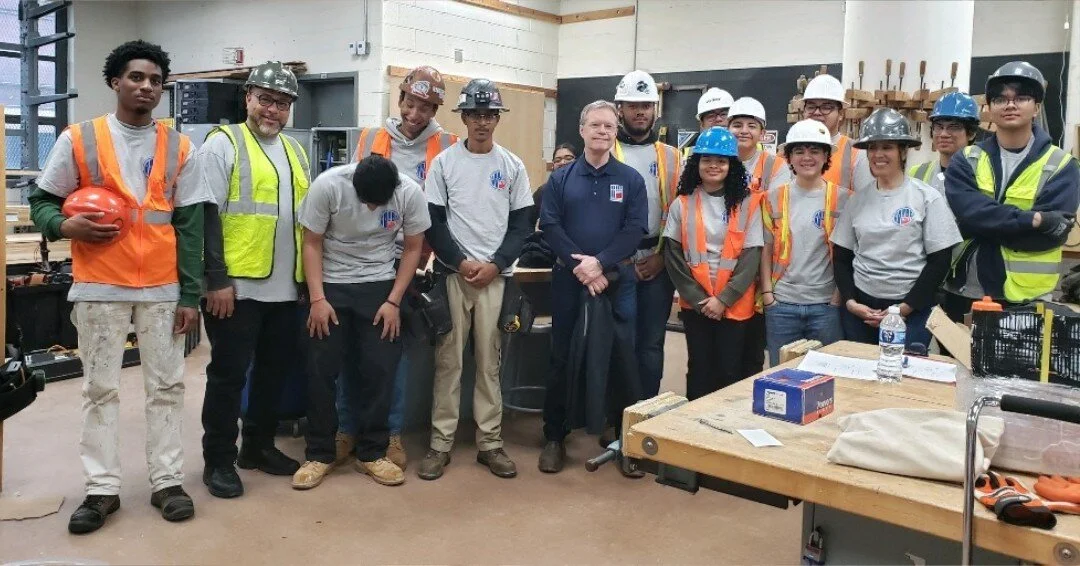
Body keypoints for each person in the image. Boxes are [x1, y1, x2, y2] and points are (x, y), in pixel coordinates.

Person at [28, 40, 208, 533]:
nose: (146, 86)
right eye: (136, 77)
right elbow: (41, 199)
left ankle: (167, 482)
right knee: (99, 389)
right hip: (100, 285)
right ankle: (101, 489)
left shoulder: (180, 147)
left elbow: (190, 226)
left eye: (155, 80)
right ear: (115, 82)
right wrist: (64, 228)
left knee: (167, 387)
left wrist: (190, 294)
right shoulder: (80, 138)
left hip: (163, 287)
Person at [198, 61, 309, 500]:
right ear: (248, 97)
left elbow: (306, 221)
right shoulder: (222, 144)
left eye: (282, 104)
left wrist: (306, 282)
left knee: (273, 372)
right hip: (237, 289)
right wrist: (216, 278)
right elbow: (205, 212)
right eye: (265, 100)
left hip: (286, 288)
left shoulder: (295, 151)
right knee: (227, 376)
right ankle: (218, 461)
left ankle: (258, 447)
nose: (273, 111)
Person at [338, 65, 458, 471]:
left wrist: (430, 260)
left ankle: (389, 433)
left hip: (413, 260)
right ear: (401, 98)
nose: (415, 113)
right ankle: (346, 430)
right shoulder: (372, 138)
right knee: (351, 345)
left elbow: (446, 212)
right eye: (411, 102)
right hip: (361, 258)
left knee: (395, 351)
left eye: (426, 107)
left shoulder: (448, 144)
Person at [291, 155, 429, 490]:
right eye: (365, 201)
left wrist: (394, 300)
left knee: (380, 369)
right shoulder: (328, 186)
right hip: (331, 284)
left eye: (377, 204)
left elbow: (413, 248)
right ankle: (319, 454)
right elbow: (311, 242)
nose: (370, 209)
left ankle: (372, 452)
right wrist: (317, 299)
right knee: (321, 370)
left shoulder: (409, 193)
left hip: (380, 285)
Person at [418, 78, 534, 481]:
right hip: (453, 276)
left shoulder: (512, 165)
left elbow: (523, 225)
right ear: (464, 117)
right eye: (475, 115)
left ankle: (490, 444)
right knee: (448, 363)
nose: (482, 122)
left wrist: (496, 263)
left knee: (489, 364)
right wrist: (460, 260)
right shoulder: (445, 164)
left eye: (489, 115)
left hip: (496, 279)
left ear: (496, 119)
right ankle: (440, 444)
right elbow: (432, 221)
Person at [538, 100, 647, 473]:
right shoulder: (560, 179)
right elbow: (551, 227)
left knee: (622, 360)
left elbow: (634, 230)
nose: (603, 132)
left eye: (609, 127)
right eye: (596, 126)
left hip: (616, 281)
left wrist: (600, 264)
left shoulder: (630, 180)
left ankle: (622, 440)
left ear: (616, 133)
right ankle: (555, 435)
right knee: (561, 356)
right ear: (582, 130)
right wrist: (581, 267)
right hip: (569, 281)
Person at [944, 62, 1079, 320]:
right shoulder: (966, 159)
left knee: (1022, 362)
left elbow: (1051, 236)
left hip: (1026, 299)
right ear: (990, 108)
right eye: (1000, 99)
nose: (1010, 105)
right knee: (956, 361)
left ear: (1036, 107)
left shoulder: (1061, 165)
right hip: (963, 290)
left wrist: (983, 224)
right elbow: (968, 213)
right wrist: (1034, 219)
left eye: (1022, 97)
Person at [831, 108, 962, 349]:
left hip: (912, 311)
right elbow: (841, 259)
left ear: (902, 151)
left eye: (887, 147)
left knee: (903, 379)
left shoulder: (926, 198)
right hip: (861, 312)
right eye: (872, 148)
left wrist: (903, 309)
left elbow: (939, 261)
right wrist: (850, 303)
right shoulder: (856, 202)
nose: (878, 155)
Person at [662, 127, 763, 400]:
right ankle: (694, 429)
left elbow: (751, 256)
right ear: (697, 163)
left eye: (721, 160)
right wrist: (699, 300)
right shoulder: (682, 204)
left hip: (735, 304)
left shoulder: (748, 203)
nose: (714, 166)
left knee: (730, 371)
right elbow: (673, 257)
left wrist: (724, 299)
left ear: (732, 165)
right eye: (707, 159)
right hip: (697, 306)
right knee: (699, 368)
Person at [611, 69, 682, 400]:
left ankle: (644, 413)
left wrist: (662, 258)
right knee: (618, 341)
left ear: (656, 110)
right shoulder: (606, 152)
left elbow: (683, 215)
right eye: (633, 105)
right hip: (616, 262)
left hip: (658, 262)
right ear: (620, 108)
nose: (640, 112)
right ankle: (616, 416)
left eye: (646, 105)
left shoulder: (672, 157)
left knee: (651, 344)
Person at [760, 120, 848, 366]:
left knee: (826, 376)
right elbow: (765, 250)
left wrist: (836, 298)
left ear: (826, 156)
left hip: (825, 307)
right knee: (781, 377)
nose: (806, 157)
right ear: (789, 157)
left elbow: (847, 254)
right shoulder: (773, 199)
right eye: (799, 151)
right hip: (782, 306)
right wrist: (768, 296)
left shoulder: (843, 199)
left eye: (814, 150)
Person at [728, 96, 788, 374]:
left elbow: (776, 217)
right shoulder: (715, 160)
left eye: (752, 125)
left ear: (762, 133)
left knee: (753, 349)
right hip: (723, 267)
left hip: (760, 266)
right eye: (737, 124)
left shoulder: (777, 167)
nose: (744, 131)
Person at [801, 74, 873, 193]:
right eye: (811, 107)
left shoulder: (856, 152)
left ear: (841, 114)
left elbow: (865, 203)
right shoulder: (789, 151)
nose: (817, 112)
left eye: (826, 107)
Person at [908, 92, 980, 194]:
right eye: (939, 127)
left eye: (954, 127)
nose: (943, 134)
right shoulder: (917, 173)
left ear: (971, 133)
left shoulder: (983, 175)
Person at [532, 142, 578, 227]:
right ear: (553, 165)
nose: (563, 162)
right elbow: (530, 222)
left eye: (568, 158)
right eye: (557, 160)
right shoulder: (543, 192)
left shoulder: (587, 187)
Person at [682, 87, 735, 160]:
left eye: (724, 114)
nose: (718, 119)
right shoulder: (689, 156)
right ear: (702, 124)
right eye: (711, 116)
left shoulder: (750, 150)